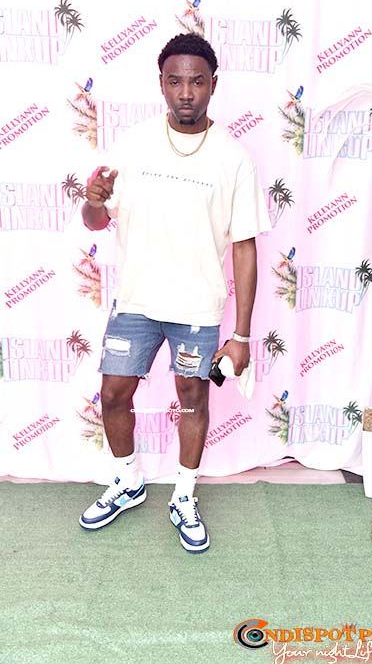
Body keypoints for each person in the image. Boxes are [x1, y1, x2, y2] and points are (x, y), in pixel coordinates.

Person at [78, 33, 271, 552]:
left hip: (196, 309)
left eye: (197, 81)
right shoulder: (133, 145)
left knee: (193, 399)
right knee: (113, 393)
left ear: (214, 85)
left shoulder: (233, 157)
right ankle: (127, 480)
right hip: (136, 303)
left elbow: (245, 247)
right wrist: (93, 202)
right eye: (175, 81)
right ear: (161, 84)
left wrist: (241, 336)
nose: (186, 92)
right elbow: (96, 220)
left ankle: (184, 494)